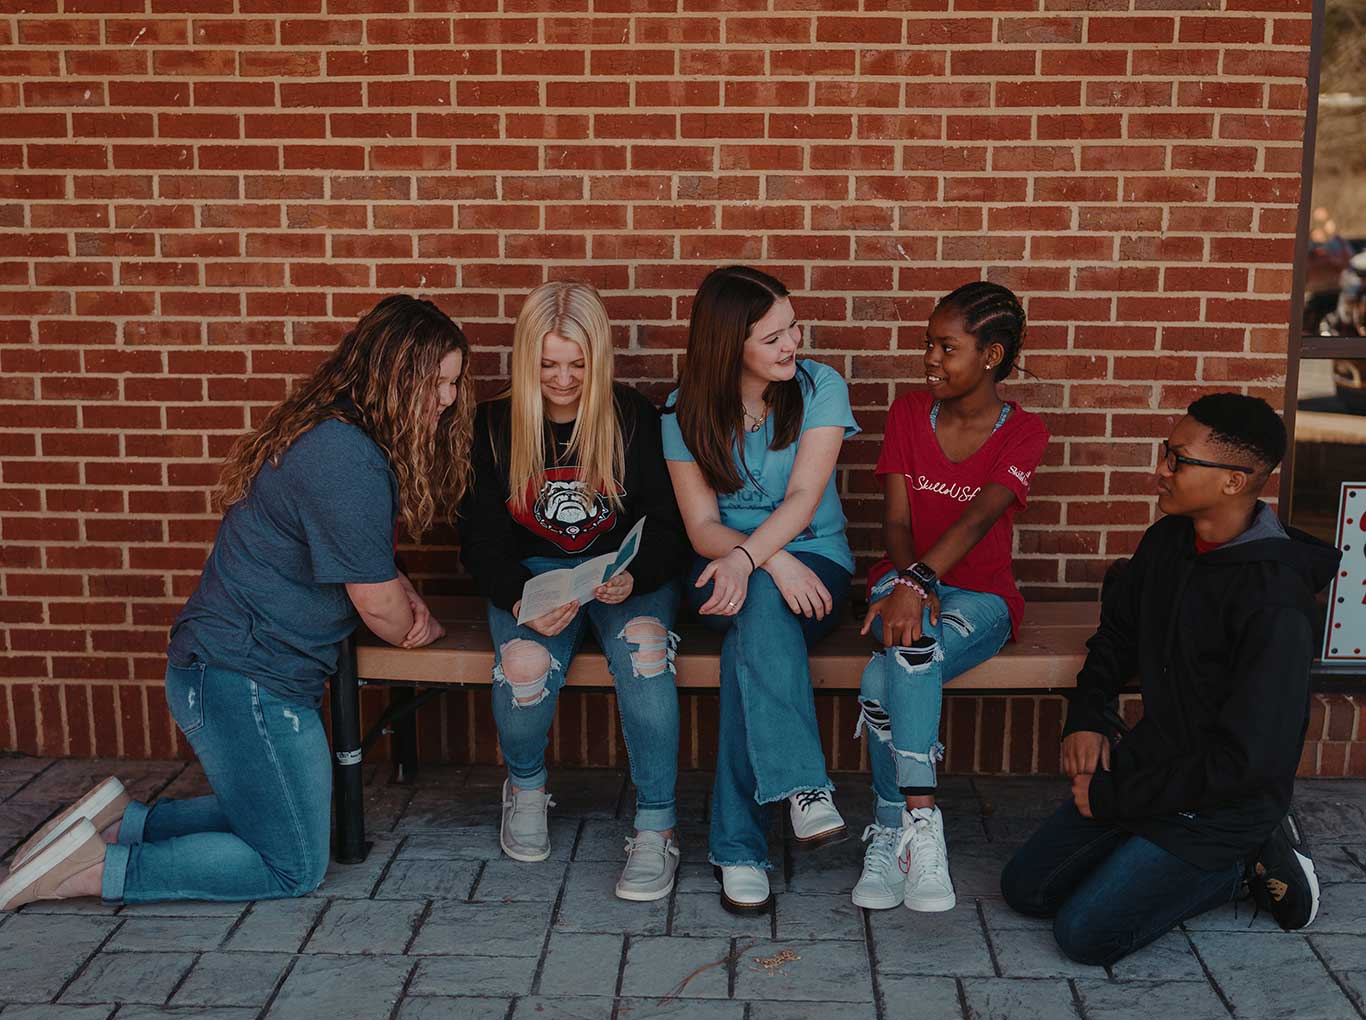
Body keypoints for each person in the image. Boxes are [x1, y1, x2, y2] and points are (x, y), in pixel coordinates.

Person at [0, 295, 474, 910]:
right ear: (390, 373)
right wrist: (422, 628)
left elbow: (362, 561)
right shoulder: (346, 457)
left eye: (454, 384)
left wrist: (397, 586)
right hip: (243, 680)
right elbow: (378, 607)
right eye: (435, 382)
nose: (446, 399)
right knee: (291, 865)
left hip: (239, 672)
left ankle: (125, 824)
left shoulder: (338, 437)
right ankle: (92, 870)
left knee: (285, 818)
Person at [1000, 393, 1340, 964]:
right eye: (1166, 452)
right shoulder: (1169, 541)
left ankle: (1249, 862)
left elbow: (1248, 762)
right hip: (1157, 770)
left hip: (1227, 807)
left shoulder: (1274, 603)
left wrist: (1115, 796)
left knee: (1085, 935)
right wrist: (1088, 715)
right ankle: (1148, 852)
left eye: (1177, 460)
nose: (1159, 470)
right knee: (1027, 890)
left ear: (1234, 482)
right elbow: (1117, 638)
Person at [458, 281, 688, 902]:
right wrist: (521, 595)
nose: (562, 379)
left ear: (601, 358)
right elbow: (480, 538)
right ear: (525, 358)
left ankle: (656, 825)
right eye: (548, 363)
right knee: (524, 664)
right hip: (535, 578)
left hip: (621, 578)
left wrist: (636, 576)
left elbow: (670, 523)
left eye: (578, 364)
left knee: (644, 655)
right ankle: (526, 786)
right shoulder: (493, 426)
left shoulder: (634, 418)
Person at [662, 265, 859, 915]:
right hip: (725, 565)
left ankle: (739, 849)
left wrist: (759, 559)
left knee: (753, 633)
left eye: (793, 327)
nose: (792, 343)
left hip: (816, 561)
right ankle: (803, 786)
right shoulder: (682, 409)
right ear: (729, 346)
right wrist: (762, 563)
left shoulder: (819, 387)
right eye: (773, 336)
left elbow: (805, 497)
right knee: (759, 607)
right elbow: (700, 527)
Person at [852, 282, 1049, 914]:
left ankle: (891, 827)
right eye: (927, 344)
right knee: (910, 646)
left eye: (946, 346)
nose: (930, 358)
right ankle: (920, 824)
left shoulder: (1025, 431)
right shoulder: (909, 414)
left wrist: (921, 585)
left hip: (982, 595)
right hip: (901, 574)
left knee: (890, 673)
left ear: (991, 356)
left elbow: (979, 519)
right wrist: (908, 580)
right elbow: (896, 525)